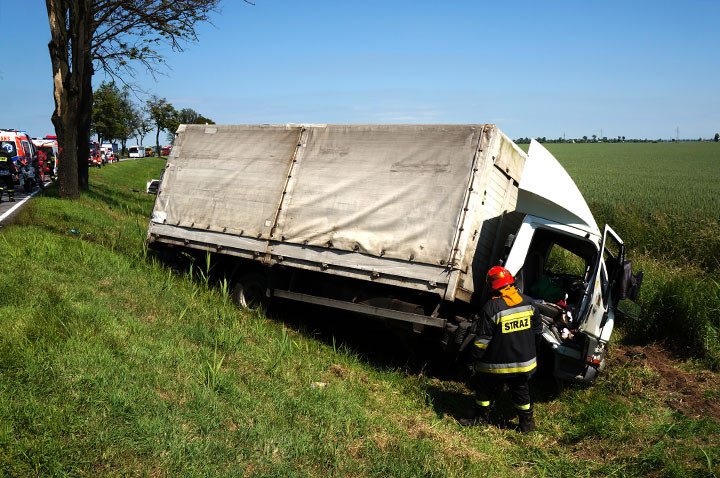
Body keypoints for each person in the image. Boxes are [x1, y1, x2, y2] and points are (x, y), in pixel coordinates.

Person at [461, 266, 542, 433]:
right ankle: (527, 424)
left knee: (483, 387)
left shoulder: (491, 308)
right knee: (521, 392)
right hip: (524, 364)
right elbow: (538, 332)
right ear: (511, 282)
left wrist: (472, 360)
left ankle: (481, 418)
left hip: (496, 366)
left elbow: (482, 341)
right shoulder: (529, 303)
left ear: (493, 286)